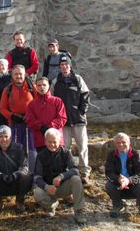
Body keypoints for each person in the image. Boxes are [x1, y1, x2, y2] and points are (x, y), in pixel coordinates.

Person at [51, 54, 91, 185]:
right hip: (63, 121)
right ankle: (66, 171)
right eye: (61, 65)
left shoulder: (78, 79)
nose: (64, 67)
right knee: (65, 147)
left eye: (66, 64)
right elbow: (51, 99)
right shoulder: (56, 81)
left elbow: (85, 95)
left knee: (82, 146)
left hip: (78, 120)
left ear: (70, 66)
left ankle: (84, 172)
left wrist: (81, 111)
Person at [33, 128, 86, 224]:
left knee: (76, 179)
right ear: (45, 141)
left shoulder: (66, 153)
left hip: (63, 187)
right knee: (37, 193)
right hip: (49, 189)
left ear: (59, 141)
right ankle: (51, 207)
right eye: (49, 142)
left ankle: (79, 211)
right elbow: (37, 177)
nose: (52, 145)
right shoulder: (41, 155)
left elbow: (75, 170)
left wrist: (61, 176)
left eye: (55, 142)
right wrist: (46, 186)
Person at [0, 125, 32, 215]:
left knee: (27, 177)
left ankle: (20, 202)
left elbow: (25, 167)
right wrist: (0, 175)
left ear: (10, 137)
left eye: (6, 136)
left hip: (16, 182)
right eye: (1, 136)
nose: (4, 139)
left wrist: (15, 175)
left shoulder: (19, 148)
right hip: (0, 181)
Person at [0, 64, 37, 170]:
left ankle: (32, 171)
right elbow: (2, 108)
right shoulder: (8, 90)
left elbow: (38, 103)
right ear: (12, 76)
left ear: (24, 74)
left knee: (31, 147)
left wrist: (31, 116)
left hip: (30, 123)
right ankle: (17, 170)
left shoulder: (31, 87)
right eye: (16, 74)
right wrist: (12, 116)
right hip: (15, 123)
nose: (18, 76)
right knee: (16, 147)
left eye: (20, 74)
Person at [105, 132, 140, 218]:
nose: (121, 144)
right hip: (119, 185)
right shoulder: (111, 155)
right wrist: (119, 179)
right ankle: (117, 205)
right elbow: (109, 173)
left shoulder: (137, 154)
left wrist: (129, 180)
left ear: (129, 143)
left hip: (133, 185)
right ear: (115, 144)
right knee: (109, 185)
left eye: (123, 142)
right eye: (118, 142)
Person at [25, 76, 67, 153]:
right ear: (36, 87)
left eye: (44, 85)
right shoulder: (32, 104)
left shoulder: (57, 101)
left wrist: (49, 127)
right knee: (43, 164)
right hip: (40, 140)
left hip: (56, 139)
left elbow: (62, 118)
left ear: (48, 86)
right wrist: (40, 127)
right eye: (39, 85)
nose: (42, 87)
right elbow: (29, 120)